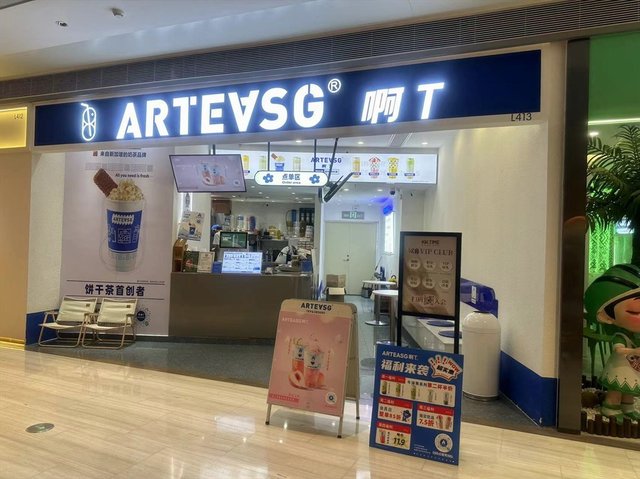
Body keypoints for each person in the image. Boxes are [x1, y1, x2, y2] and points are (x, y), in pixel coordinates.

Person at [596, 287, 640, 423]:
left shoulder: (635, 337)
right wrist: (633, 351)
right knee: (616, 389)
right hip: (619, 368)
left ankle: (628, 407)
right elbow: (618, 350)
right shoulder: (620, 336)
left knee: (629, 389)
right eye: (634, 312)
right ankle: (611, 406)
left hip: (633, 369)